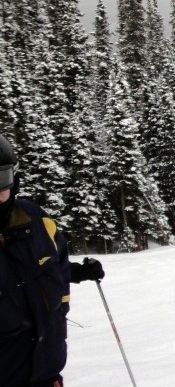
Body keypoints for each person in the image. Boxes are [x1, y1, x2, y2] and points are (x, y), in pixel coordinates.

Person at [0, 134, 105, 387]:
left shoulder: (37, 220)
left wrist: (79, 272)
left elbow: (49, 267)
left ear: (14, 178)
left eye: (0, 179)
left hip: (47, 368)